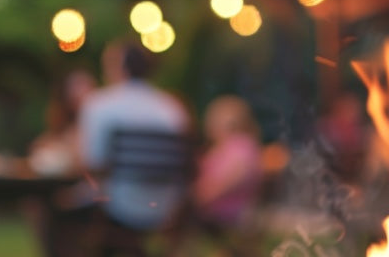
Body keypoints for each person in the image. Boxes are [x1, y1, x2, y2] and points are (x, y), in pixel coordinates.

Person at [77, 41, 190, 230]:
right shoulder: (173, 109)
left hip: (115, 206)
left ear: (119, 67)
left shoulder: (99, 104)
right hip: (167, 207)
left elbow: (92, 162)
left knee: (52, 207)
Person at [194, 95, 263, 228]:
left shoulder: (239, 147)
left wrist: (197, 199)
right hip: (221, 212)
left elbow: (232, 179)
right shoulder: (235, 146)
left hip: (223, 215)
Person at [29, 69, 96, 176]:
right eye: (75, 87)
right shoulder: (64, 122)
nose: (79, 92)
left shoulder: (96, 125)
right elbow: (39, 145)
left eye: (84, 86)